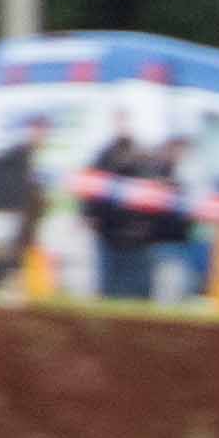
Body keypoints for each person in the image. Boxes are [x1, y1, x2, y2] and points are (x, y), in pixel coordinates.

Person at [79, 120, 186, 306]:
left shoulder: (157, 168)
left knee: (128, 296)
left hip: (137, 243)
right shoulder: (111, 158)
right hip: (116, 240)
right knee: (117, 295)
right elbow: (93, 191)